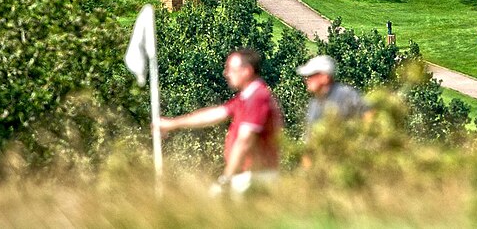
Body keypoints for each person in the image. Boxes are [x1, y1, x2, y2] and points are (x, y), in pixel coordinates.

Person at [158, 48, 283, 194]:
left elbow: (245, 141)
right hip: (247, 177)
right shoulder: (246, 97)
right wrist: (172, 123)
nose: (226, 73)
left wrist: (226, 178)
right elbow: (215, 114)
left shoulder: (257, 98)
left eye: (230, 69)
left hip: (254, 178)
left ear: (246, 71)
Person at [296, 55, 368, 133]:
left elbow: (369, 116)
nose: (307, 80)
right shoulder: (314, 104)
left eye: (311, 75)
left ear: (325, 77)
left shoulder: (345, 94)